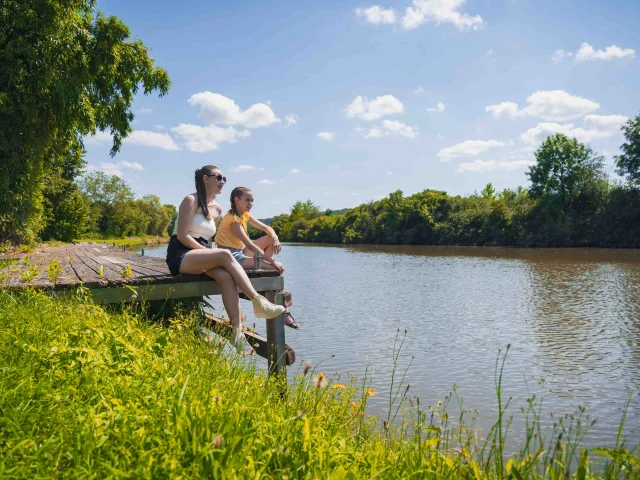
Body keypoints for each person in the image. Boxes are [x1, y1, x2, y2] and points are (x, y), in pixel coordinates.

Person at [165, 165, 285, 346]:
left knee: (225, 277)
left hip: (203, 254)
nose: (223, 182)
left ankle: (237, 332)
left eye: (224, 179)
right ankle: (258, 302)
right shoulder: (190, 200)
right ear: (206, 179)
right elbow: (182, 235)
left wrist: (211, 254)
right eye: (219, 177)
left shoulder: (217, 209)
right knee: (225, 254)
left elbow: (209, 239)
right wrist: (210, 253)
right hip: (182, 254)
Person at [215, 186, 300, 329]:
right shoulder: (233, 220)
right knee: (274, 268)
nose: (251, 204)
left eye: (252, 201)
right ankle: (283, 312)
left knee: (269, 239)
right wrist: (272, 261)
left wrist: (275, 238)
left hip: (240, 252)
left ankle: (263, 269)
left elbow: (268, 229)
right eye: (247, 200)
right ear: (237, 200)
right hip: (229, 256)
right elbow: (250, 244)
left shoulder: (245, 215)